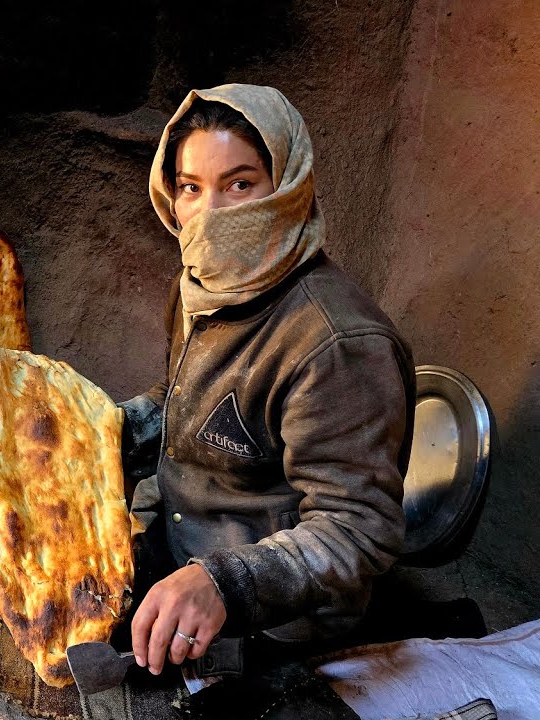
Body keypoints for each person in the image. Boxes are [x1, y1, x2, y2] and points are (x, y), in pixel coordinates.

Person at [117, 84, 415, 679]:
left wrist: (223, 584)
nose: (211, 215)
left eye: (241, 184)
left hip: (278, 622)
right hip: (186, 551)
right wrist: (104, 432)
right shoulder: (207, 287)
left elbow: (357, 528)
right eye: (190, 187)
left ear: (286, 186)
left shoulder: (336, 344)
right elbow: (196, 405)